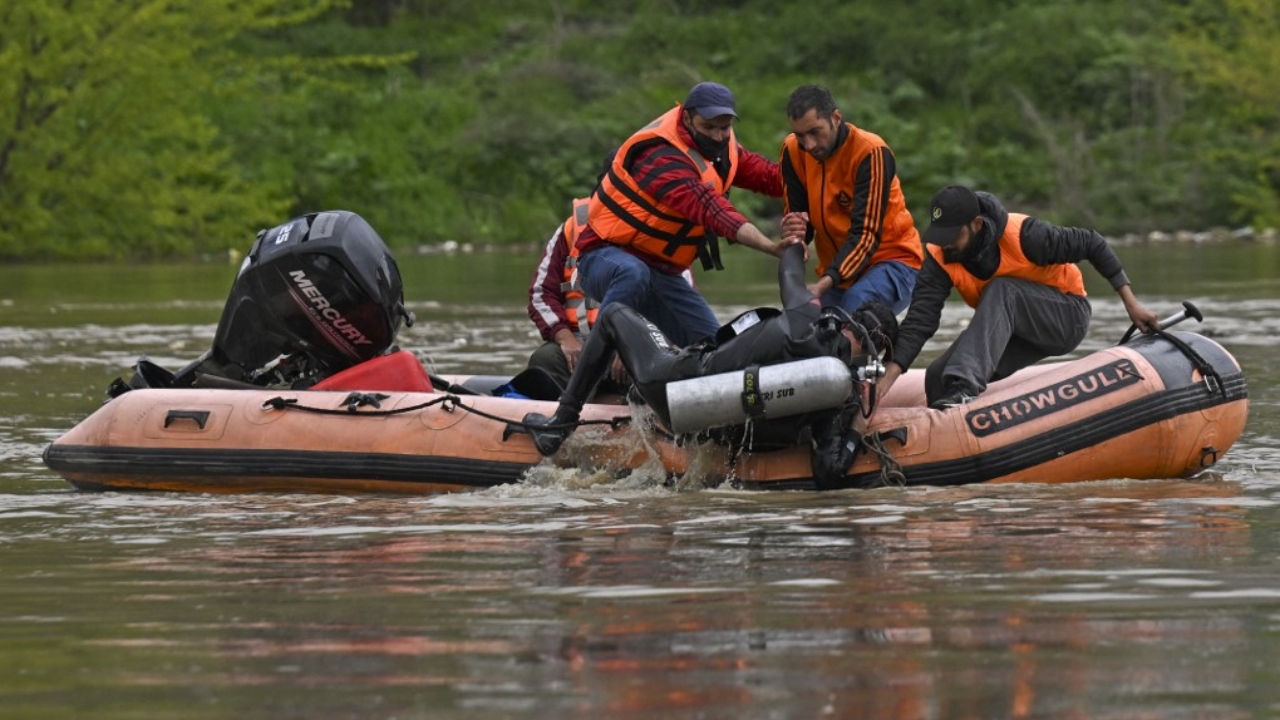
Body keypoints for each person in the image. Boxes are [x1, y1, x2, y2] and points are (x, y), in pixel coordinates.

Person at [521, 242, 899, 488]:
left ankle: (560, 425)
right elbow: (829, 471)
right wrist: (856, 430)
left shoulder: (804, 318)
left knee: (614, 314)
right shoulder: (841, 394)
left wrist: (794, 245)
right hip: (724, 434)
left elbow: (788, 273)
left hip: (676, 389)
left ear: (847, 320)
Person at [875, 185, 1161, 410]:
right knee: (938, 375)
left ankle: (964, 390)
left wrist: (1132, 305)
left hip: (1065, 318)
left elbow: (1092, 243)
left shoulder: (1026, 235)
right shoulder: (940, 257)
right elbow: (919, 322)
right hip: (1013, 331)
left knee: (1002, 290)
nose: (945, 243)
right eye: (940, 234)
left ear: (976, 224)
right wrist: (885, 382)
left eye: (953, 234)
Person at [575, 81, 791, 347]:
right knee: (633, 273)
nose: (717, 136)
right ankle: (585, 379)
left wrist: (821, 181)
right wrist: (770, 246)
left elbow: (769, 177)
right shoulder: (660, 156)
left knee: (717, 348)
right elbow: (711, 209)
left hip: (661, 272)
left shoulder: (723, 147)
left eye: (724, 128)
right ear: (687, 118)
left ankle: (668, 385)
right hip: (604, 259)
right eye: (708, 127)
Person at [778, 84, 923, 316]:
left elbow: (866, 235)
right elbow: (798, 221)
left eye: (815, 132)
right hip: (838, 273)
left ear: (836, 118)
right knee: (812, 327)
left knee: (853, 310)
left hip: (894, 261)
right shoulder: (793, 150)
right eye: (800, 135)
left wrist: (823, 284)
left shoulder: (871, 152)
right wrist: (793, 231)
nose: (809, 145)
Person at [526, 197, 693, 396]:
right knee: (545, 359)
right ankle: (575, 410)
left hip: (642, 347)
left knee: (667, 369)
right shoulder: (570, 230)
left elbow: (679, 312)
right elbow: (541, 293)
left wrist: (635, 344)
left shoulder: (663, 232)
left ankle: (631, 408)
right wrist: (565, 338)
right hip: (581, 343)